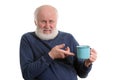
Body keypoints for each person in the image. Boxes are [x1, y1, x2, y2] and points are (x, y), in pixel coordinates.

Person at [19, 5, 97, 80]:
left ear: (56, 22)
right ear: (35, 22)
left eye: (51, 21)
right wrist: (51, 55)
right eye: (43, 21)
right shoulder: (28, 39)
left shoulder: (68, 38)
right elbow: (27, 74)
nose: (47, 25)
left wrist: (87, 63)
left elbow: (82, 74)